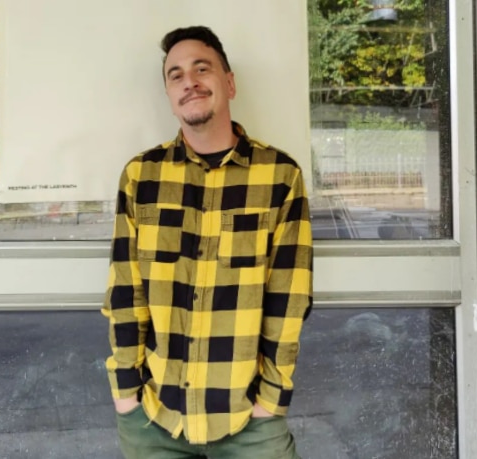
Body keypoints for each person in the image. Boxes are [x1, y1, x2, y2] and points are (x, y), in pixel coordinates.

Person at [102, 25, 313, 459]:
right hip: (154, 417)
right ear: (168, 93)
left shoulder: (280, 176)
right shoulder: (141, 176)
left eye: (202, 68)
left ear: (229, 82)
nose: (189, 82)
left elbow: (288, 299)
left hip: (250, 422)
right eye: (175, 75)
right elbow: (126, 292)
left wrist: (270, 401)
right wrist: (127, 395)